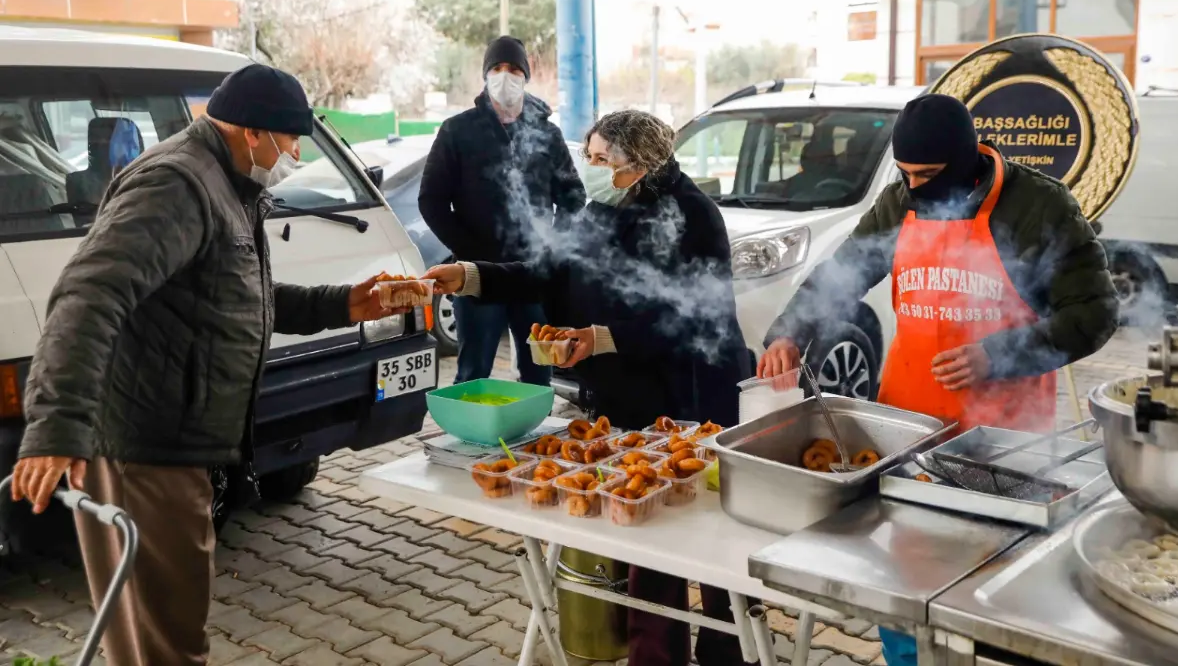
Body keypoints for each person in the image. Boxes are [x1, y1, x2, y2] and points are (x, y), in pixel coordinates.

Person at [10, 64, 407, 666]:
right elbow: (87, 294)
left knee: (148, 635)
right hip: (145, 450)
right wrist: (53, 428)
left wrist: (346, 302)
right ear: (253, 133)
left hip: (174, 443)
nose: (295, 154)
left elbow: (232, 297)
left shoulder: (228, 182)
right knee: (167, 640)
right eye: (291, 139)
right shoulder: (179, 185)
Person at [758, 94, 1118, 665]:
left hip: (1003, 438)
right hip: (909, 425)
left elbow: (1096, 313)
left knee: (990, 590)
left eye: (926, 175)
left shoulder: (1039, 207)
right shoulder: (899, 201)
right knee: (904, 576)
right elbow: (842, 274)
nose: (913, 185)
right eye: (904, 173)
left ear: (965, 159)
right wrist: (789, 332)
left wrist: (999, 355)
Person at [424, 110, 754, 666]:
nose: (591, 169)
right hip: (624, 406)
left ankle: (728, 652)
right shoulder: (600, 209)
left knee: (710, 551)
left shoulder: (694, 215)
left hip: (690, 399)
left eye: (603, 159)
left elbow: (698, 319)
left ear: (641, 164)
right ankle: (658, 657)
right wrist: (470, 275)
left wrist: (599, 337)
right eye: (590, 156)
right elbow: (546, 270)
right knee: (649, 547)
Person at [419, 35, 585, 385]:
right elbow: (431, 200)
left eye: (513, 69)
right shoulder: (457, 131)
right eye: (496, 68)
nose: (504, 75)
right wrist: (469, 252)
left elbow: (572, 195)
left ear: (526, 76)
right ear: (485, 75)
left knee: (540, 370)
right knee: (474, 371)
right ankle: (467, 436)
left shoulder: (547, 134)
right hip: (478, 275)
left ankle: (536, 437)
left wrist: (551, 248)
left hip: (533, 275)